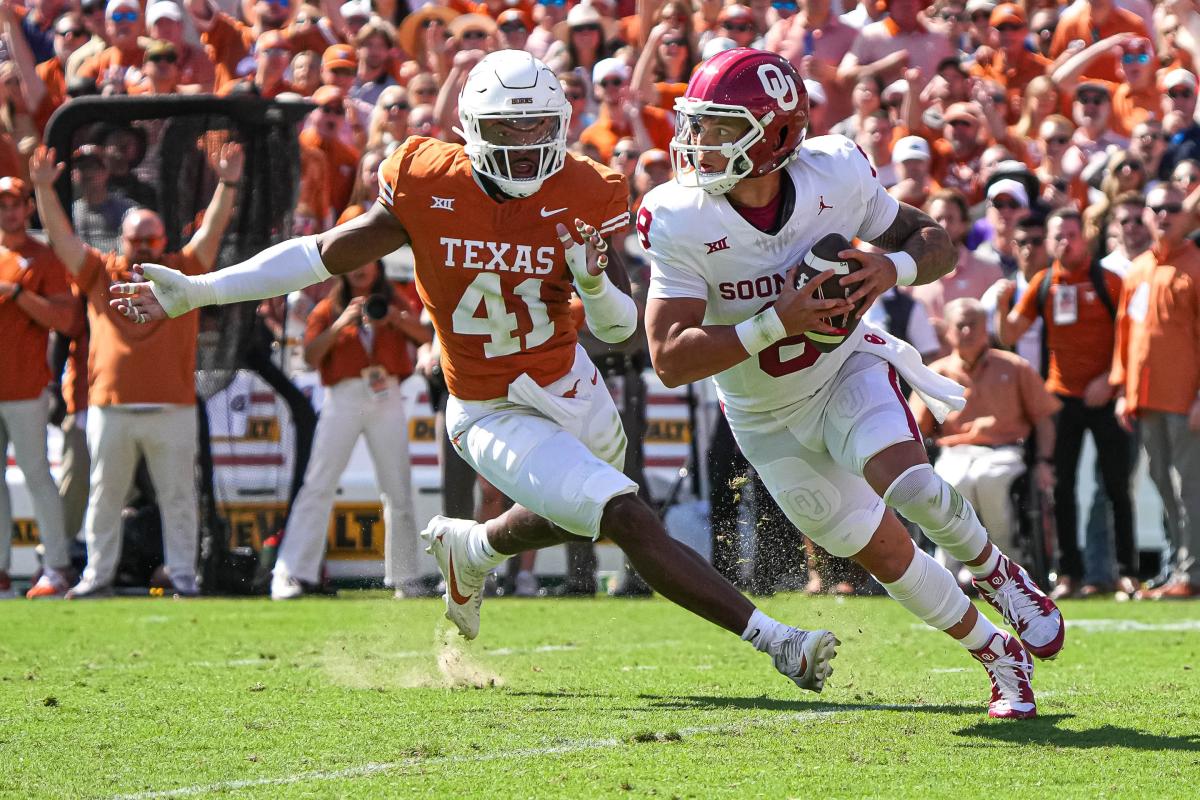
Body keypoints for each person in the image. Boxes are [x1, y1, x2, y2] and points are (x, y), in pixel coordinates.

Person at [107, 50, 840, 693]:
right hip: (487, 406)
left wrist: (591, 283)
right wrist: (202, 290)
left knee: (574, 511)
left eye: (536, 129)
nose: (525, 149)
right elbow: (319, 254)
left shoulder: (585, 187)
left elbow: (620, 329)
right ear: (470, 129)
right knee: (623, 513)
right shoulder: (428, 181)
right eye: (508, 131)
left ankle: (474, 547)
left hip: (569, 385)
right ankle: (777, 642)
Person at [640, 49, 1063, 719]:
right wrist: (775, 321)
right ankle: (995, 653)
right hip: (764, 414)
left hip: (843, 367)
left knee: (913, 484)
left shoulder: (834, 173)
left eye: (722, 128)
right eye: (701, 125)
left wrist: (892, 267)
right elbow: (668, 356)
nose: (701, 143)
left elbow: (935, 242)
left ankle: (996, 572)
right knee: (885, 553)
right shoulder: (680, 215)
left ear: (776, 135)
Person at [30, 141, 245, 599]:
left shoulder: (181, 272)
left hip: (171, 406)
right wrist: (43, 190)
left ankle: (183, 577)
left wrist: (227, 183)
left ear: (162, 241)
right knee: (104, 497)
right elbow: (62, 240)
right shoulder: (100, 272)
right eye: (136, 239)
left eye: (151, 239)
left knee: (179, 499)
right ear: (122, 240)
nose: (144, 247)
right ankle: (96, 576)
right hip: (113, 406)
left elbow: (210, 233)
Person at [995, 208, 1135, 600]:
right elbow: (1010, 335)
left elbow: (1129, 339)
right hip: (1061, 398)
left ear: (1085, 237)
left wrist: (1110, 380)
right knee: (1063, 488)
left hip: (1105, 396)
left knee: (1116, 486)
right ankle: (1069, 574)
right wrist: (1003, 305)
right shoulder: (1043, 283)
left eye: (1071, 235)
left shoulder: (1108, 281)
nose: (1064, 243)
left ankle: (1126, 572)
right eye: (1057, 236)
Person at [272, 260, 432, 600]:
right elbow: (310, 358)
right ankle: (290, 572)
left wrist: (394, 319)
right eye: (353, 261)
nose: (359, 268)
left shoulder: (395, 301)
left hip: (385, 394)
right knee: (318, 484)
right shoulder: (328, 308)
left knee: (398, 488)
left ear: (378, 266)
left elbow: (427, 336)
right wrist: (341, 323)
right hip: (342, 396)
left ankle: (405, 578)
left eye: (367, 261)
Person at [911, 298, 1060, 579]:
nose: (967, 331)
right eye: (960, 325)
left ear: (987, 328)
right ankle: (950, 570)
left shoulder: (1014, 367)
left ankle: (1004, 564)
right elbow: (917, 426)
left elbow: (1044, 419)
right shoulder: (935, 374)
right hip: (955, 452)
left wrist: (1044, 461)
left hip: (1004, 452)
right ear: (948, 331)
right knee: (955, 483)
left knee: (987, 478)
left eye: (973, 324)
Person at [1111, 184, 1200, 599]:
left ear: (1187, 217)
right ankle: (1179, 570)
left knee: (1188, 488)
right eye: (1156, 208)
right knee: (1164, 486)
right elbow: (1126, 336)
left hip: (1185, 401)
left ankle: (1190, 573)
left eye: (1172, 208)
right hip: (1145, 401)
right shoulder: (1138, 270)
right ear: (1144, 215)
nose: (1164, 215)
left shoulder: (1196, 266)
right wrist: (1123, 391)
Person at [0, 177, 78, 599]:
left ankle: (56, 566)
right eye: (2, 204)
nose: (9, 212)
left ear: (28, 208)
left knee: (36, 475)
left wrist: (16, 294)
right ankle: (1, 568)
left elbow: (65, 320)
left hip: (27, 386)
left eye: (15, 204)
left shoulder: (43, 258)